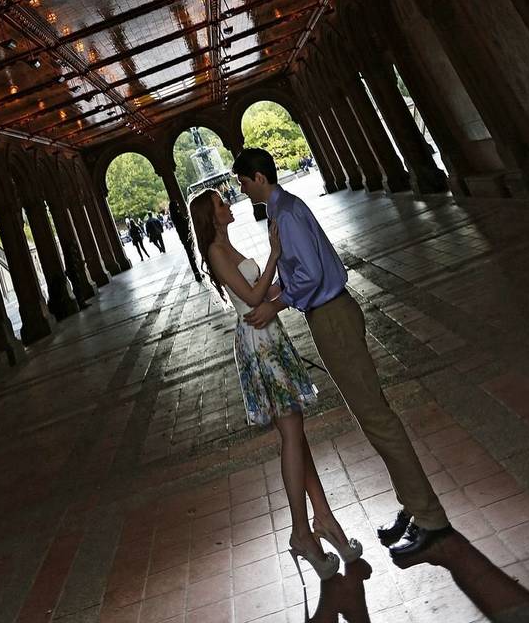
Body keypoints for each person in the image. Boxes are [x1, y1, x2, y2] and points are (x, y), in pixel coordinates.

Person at [232, 147, 452, 563]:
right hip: (329, 315)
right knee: (369, 414)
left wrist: (275, 305)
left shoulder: (287, 213)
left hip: (332, 316)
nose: (242, 191)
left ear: (258, 177)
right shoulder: (283, 210)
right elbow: (301, 272)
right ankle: (412, 502)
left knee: (376, 416)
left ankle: (431, 517)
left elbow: (312, 274)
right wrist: (276, 292)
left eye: (243, 182)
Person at [189, 187, 360, 582]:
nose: (228, 206)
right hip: (258, 343)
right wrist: (274, 254)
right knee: (292, 434)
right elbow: (250, 295)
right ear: (211, 216)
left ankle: (324, 519)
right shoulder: (216, 252)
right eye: (221, 204)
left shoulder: (228, 247)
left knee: (296, 434)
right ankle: (302, 532)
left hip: (271, 334)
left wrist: (299, 281)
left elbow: (266, 291)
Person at [168, 197, 203, 282]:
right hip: (187, 237)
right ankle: (197, 273)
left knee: (191, 255)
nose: (178, 206)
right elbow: (184, 225)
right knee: (192, 255)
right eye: (177, 205)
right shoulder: (178, 215)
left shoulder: (174, 215)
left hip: (184, 238)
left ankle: (197, 272)